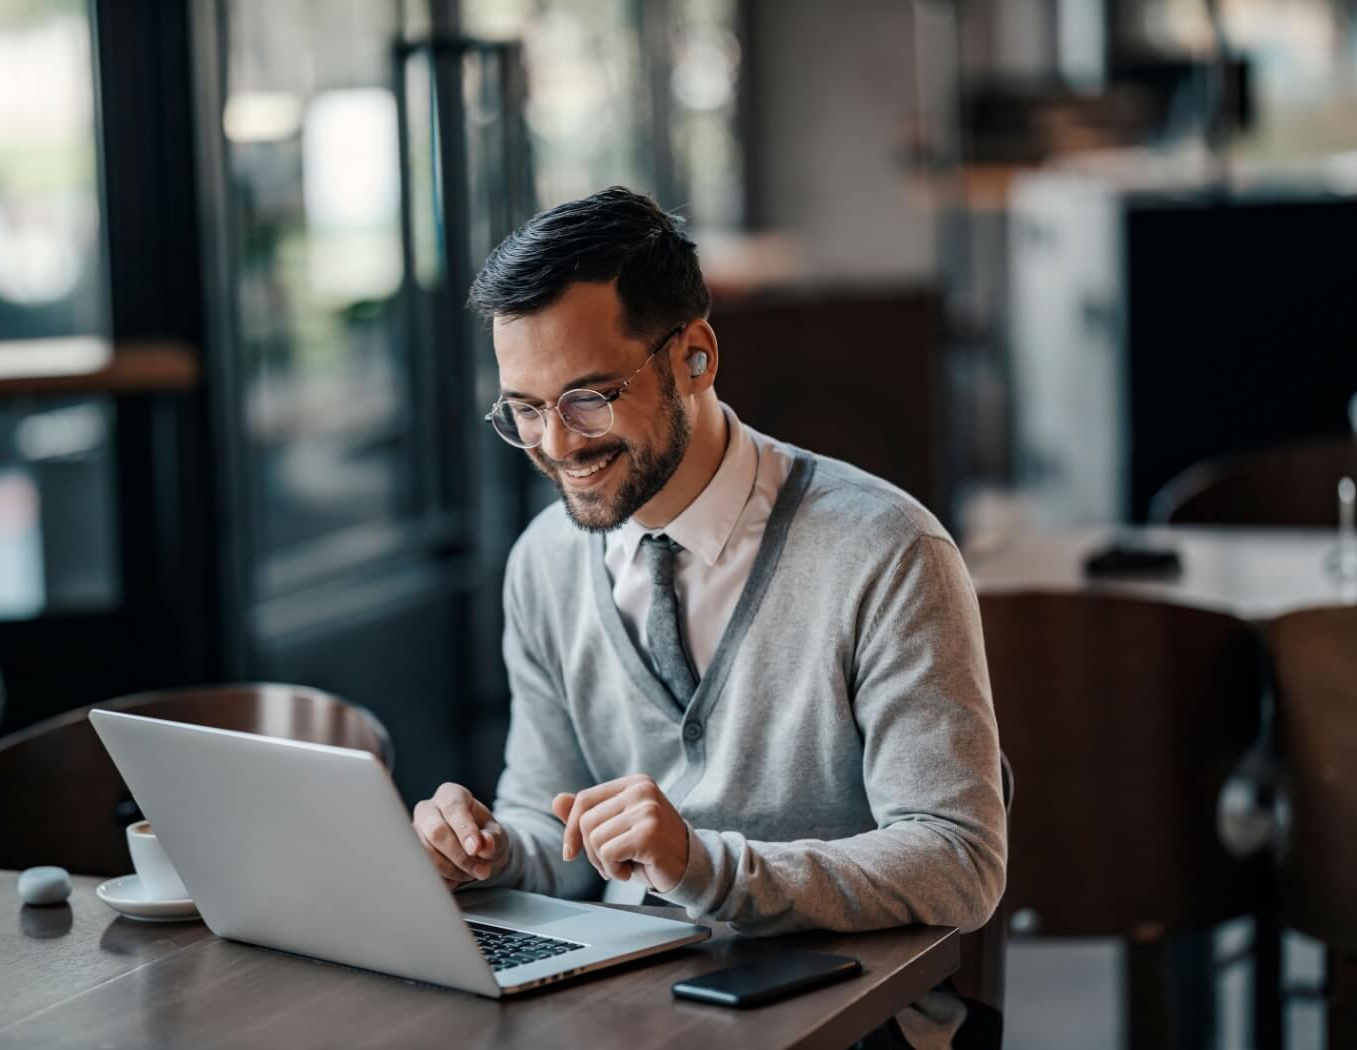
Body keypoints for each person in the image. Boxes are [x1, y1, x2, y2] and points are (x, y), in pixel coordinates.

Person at [411, 187, 1007, 1048]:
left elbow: (959, 860)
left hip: (842, 1015)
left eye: (588, 398)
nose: (556, 445)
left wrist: (705, 866)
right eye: (526, 410)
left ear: (693, 356)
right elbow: (551, 824)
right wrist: (490, 851)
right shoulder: (543, 561)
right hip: (623, 1007)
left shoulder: (888, 550)